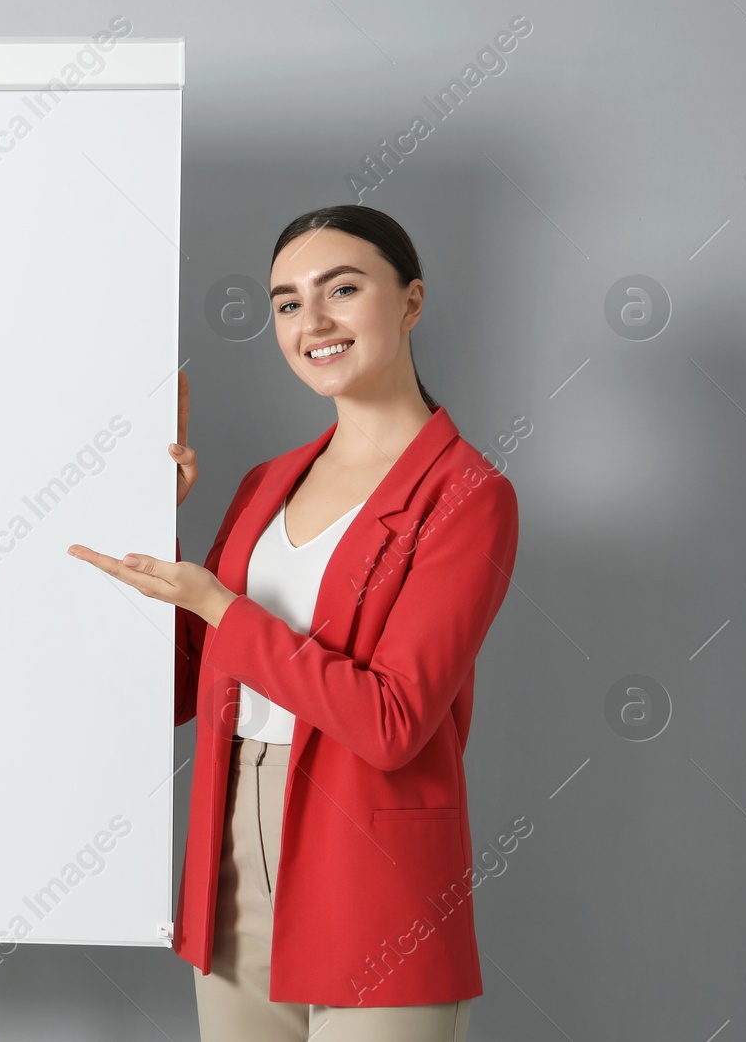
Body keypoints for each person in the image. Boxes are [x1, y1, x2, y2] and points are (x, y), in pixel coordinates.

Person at [69, 205, 519, 1042]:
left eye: (341, 289)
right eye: (285, 302)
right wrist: (150, 524)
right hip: (232, 854)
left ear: (411, 301)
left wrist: (220, 605)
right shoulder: (263, 483)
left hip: (372, 872)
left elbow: (390, 722)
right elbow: (184, 690)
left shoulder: (468, 496)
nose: (311, 322)